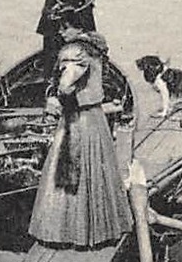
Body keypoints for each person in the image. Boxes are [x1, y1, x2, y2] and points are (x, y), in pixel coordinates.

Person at [27, 30, 132, 248]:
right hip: (96, 119)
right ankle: (100, 231)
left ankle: (69, 233)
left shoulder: (74, 52)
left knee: (70, 174)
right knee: (98, 173)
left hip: (77, 120)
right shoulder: (95, 48)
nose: (61, 31)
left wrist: (59, 100)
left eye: (64, 26)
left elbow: (66, 86)